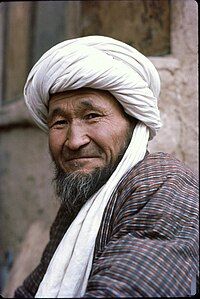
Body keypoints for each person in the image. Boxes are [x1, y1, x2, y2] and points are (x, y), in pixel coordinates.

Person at [13, 35, 198, 298]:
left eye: (92, 116)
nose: (74, 141)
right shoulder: (81, 201)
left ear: (134, 123)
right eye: (60, 123)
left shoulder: (164, 185)